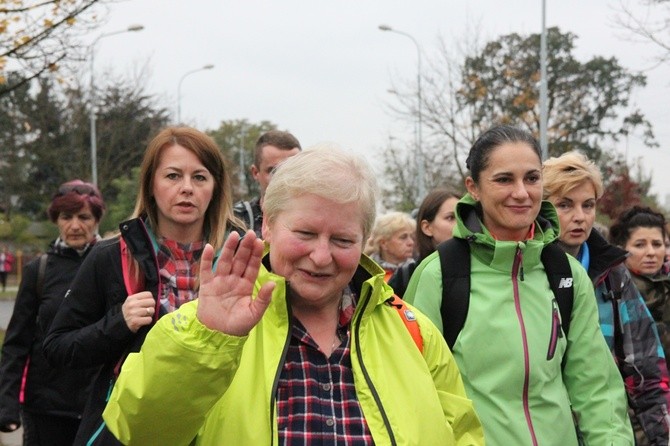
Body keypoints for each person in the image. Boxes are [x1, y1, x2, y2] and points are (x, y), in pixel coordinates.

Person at [102, 146, 484, 445]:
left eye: (342, 240)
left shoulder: (414, 334)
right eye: (304, 234)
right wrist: (208, 343)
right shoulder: (201, 326)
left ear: (364, 240)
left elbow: (463, 436)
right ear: (268, 223)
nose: (321, 256)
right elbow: (141, 433)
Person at [405, 125, 633, 445]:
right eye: (503, 179)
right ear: (474, 187)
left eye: (531, 178)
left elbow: (598, 391)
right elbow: (414, 395)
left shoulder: (566, 275)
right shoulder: (438, 275)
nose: (522, 192)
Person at [43, 126, 242, 446]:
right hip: (129, 433)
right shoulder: (110, 257)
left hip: (220, 431)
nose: (187, 188)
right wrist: (117, 323)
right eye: (173, 176)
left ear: (215, 188)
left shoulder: (241, 260)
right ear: (151, 184)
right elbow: (58, 348)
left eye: (200, 177)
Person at [543, 151, 670, 445]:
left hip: (605, 430)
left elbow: (647, 369)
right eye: (565, 204)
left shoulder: (613, 275)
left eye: (588, 205)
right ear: (541, 208)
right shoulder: (525, 271)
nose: (580, 217)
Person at [0, 180, 105, 445]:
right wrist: (7, 403)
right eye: (66, 217)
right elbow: (16, 342)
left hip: (100, 406)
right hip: (45, 407)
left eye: (84, 217)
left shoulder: (112, 265)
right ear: (56, 220)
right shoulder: (39, 270)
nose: (75, 225)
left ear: (96, 220)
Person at [610, 206, 670, 371]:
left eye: (657, 244)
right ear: (622, 248)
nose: (651, 252)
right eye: (640, 245)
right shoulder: (610, 294)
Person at [388, 188, 460, 297]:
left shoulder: (477, 269)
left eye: (462, 217)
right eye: (450, 218)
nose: (459, 225)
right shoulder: (406, 276)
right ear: (427, 228)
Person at [233, 129, 301, 237]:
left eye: (291, 170)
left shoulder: (318, 218)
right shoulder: (236, 220)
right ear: (255, 173)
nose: (284, 178)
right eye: (274, 171)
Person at [364, 211, 416, 282]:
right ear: (383, 243)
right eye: (403, 237)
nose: (411, 242)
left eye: (412, 237)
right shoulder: (367, 273)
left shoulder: (418, 270)